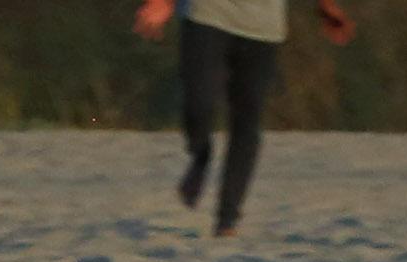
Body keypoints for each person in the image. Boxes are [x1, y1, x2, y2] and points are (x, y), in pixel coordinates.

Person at [133, 0, 355, 237]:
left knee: (247, 120)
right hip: (207, 14)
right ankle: (200, 153)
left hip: (263, 29)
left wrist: (326, 7)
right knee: (199, 102)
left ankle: (227, 219)